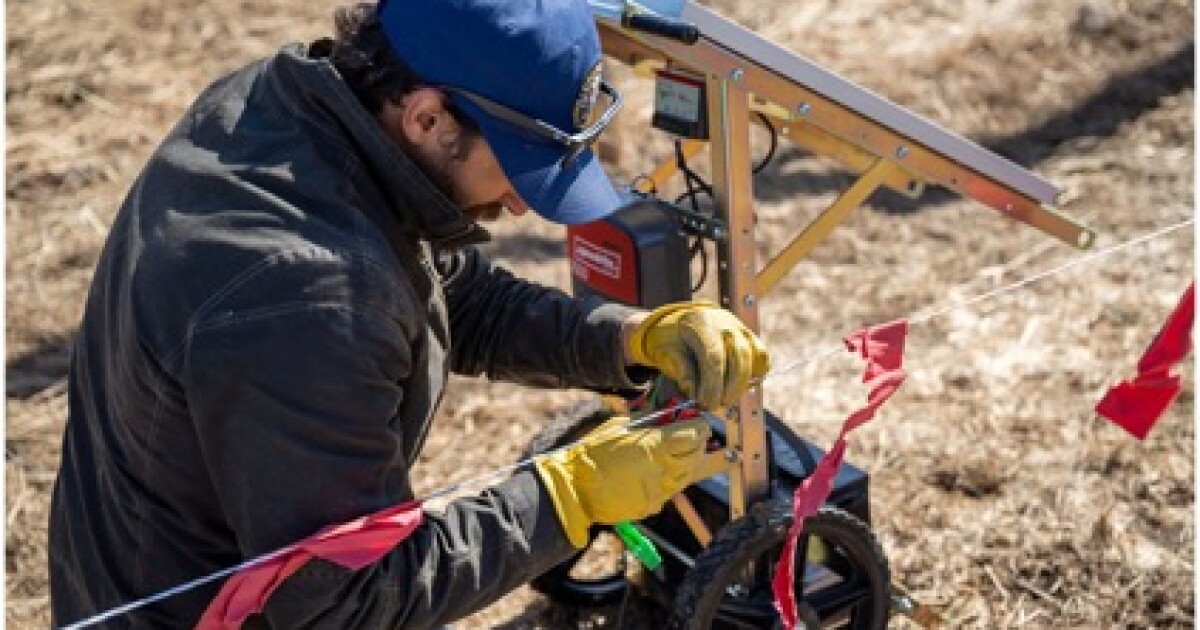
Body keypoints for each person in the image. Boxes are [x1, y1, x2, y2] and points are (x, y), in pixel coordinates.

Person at [48, 0, 769, 627]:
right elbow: (344, 598)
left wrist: (623, 339)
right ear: (428, 116)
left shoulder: (285, 115)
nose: (522, 203)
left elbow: (444, 289)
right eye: (518, 169)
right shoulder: (309, 296)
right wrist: (565, 500)